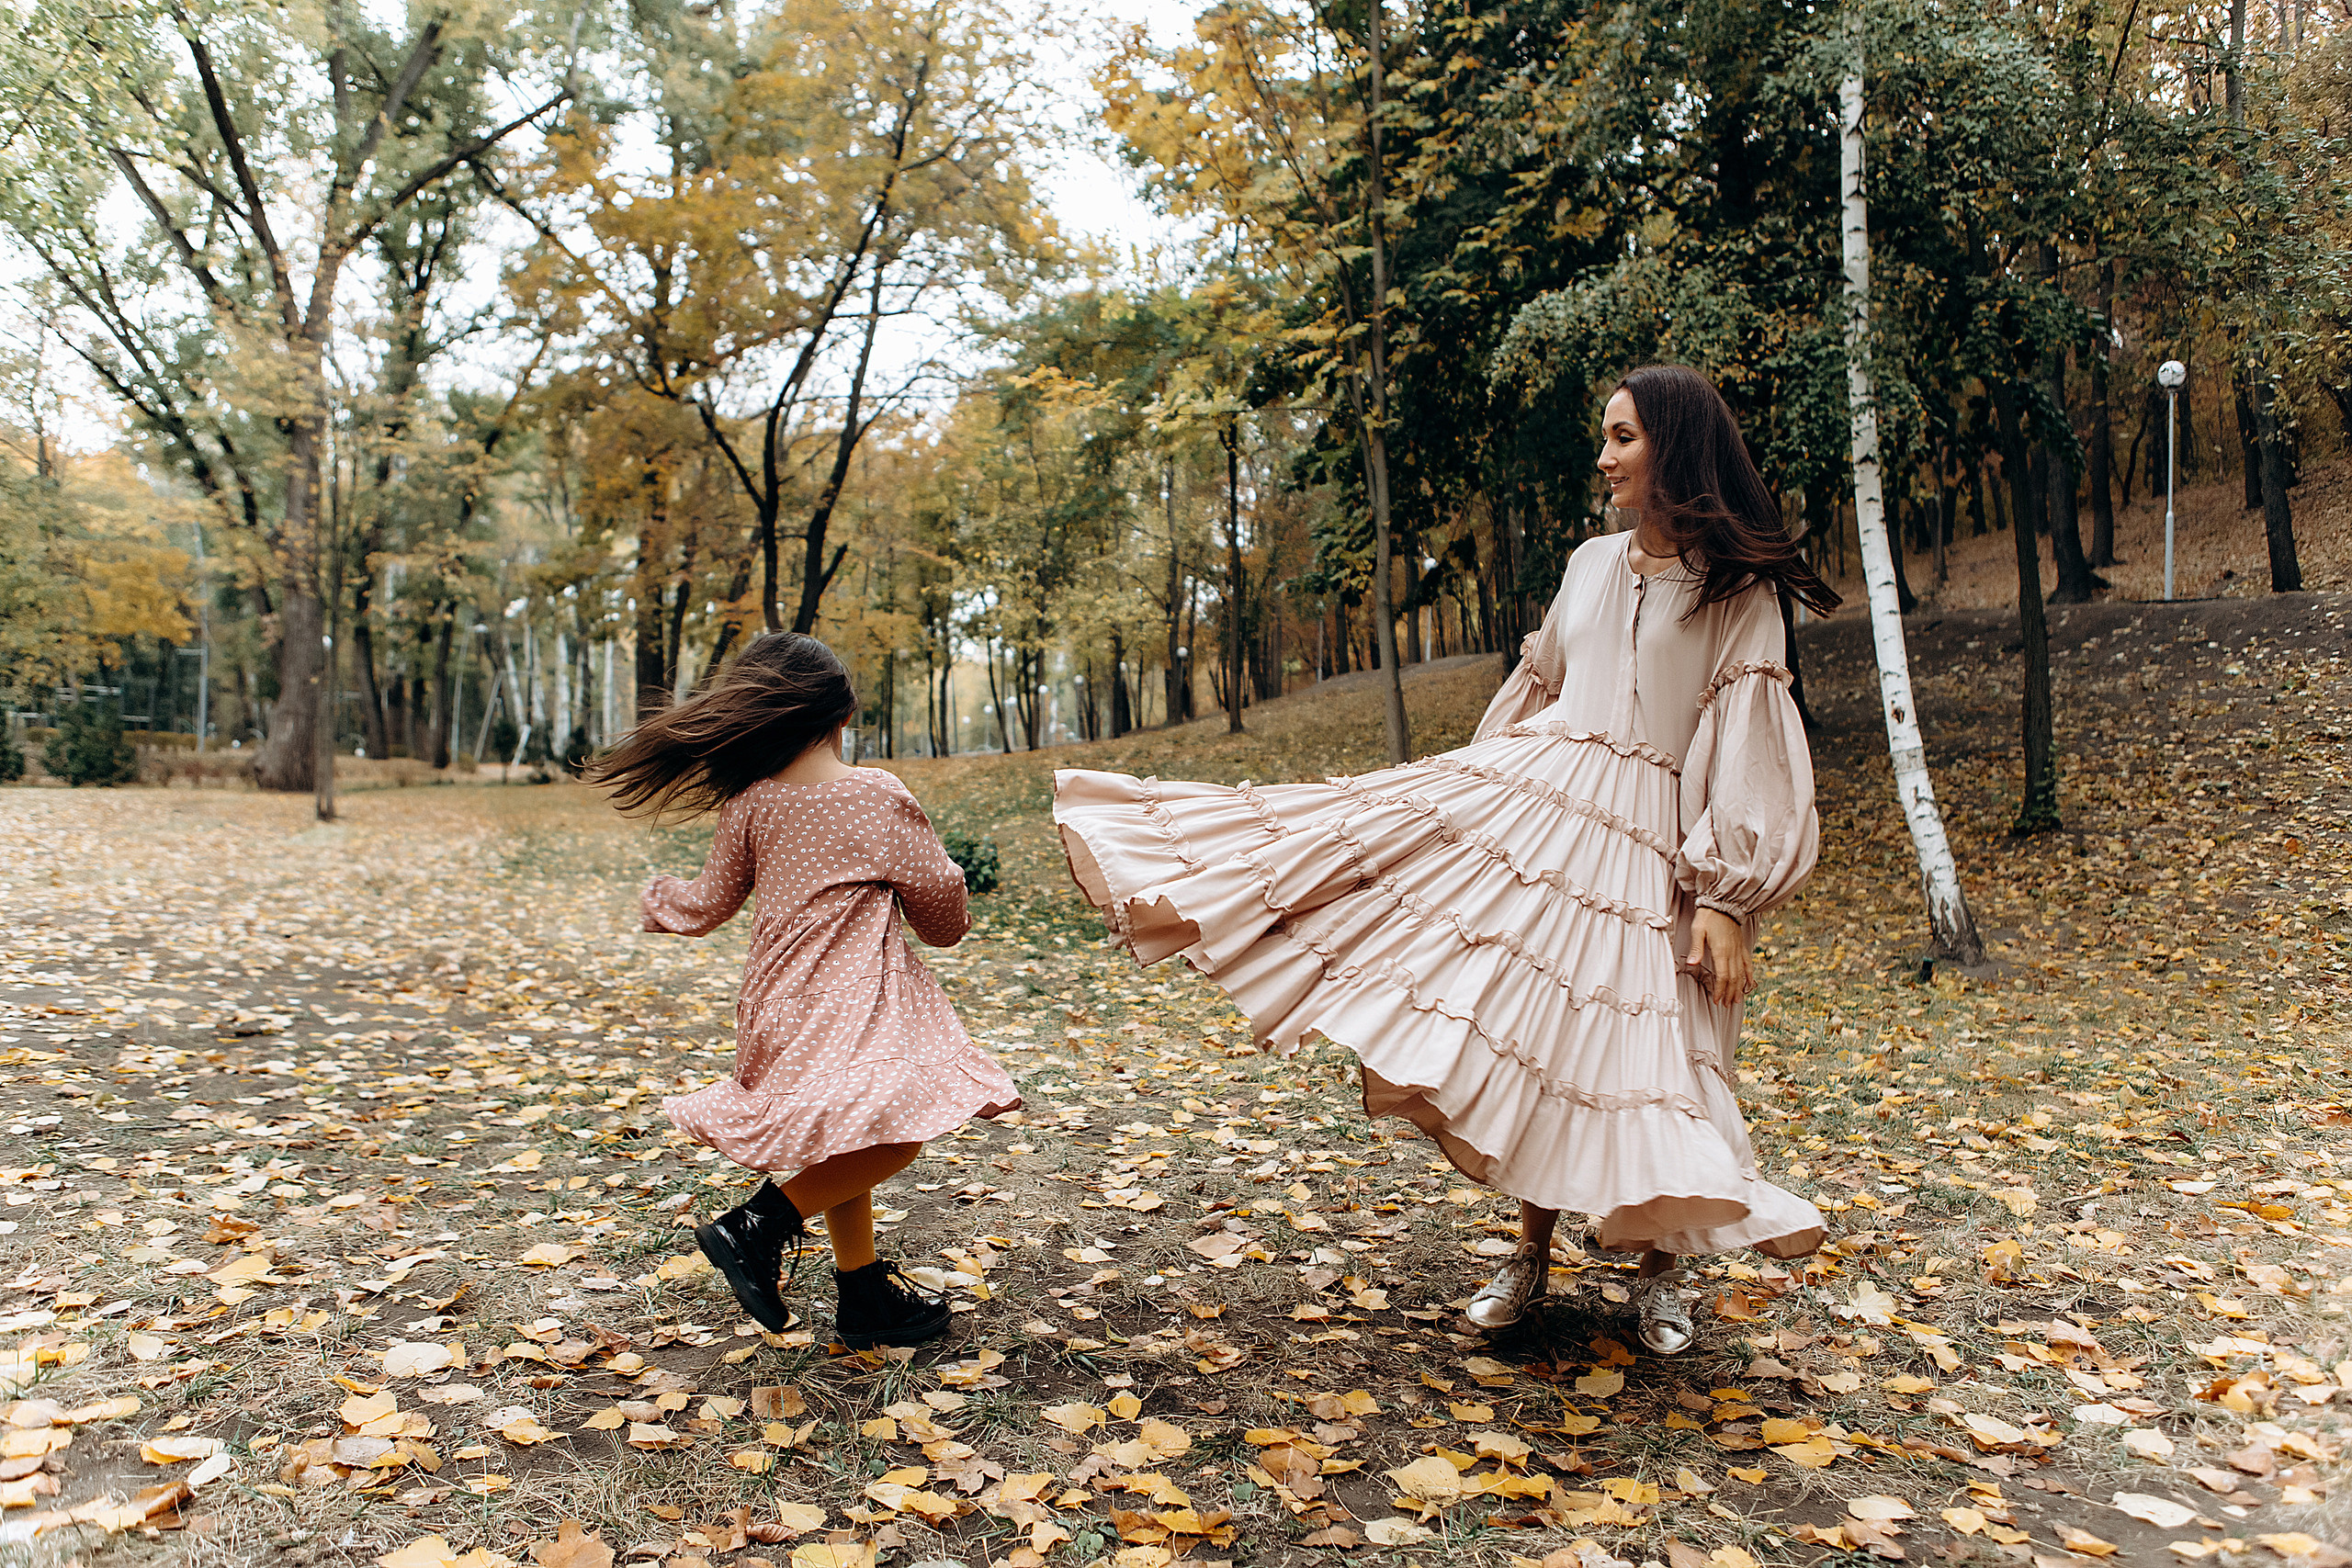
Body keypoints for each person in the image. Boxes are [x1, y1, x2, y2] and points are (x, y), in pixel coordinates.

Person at [1053, 365, 1838, 1354]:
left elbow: (1750, 745)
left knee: (1663, 1052)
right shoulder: (1588, 564)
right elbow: (1539, 690)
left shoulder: (1739, 591)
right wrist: (1483, 813)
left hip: (1657, 846)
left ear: (1677, 445)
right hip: (1549, 818)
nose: (1603, 457)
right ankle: (1530, 1255)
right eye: (1604, 436)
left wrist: (1727, 893)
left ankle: (1659, 1275)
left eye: (1623, 437)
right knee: (1538, 1042)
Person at [592, 633, 1019, 1348]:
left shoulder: (753, 801)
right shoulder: (877, 795)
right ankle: (754, 1226)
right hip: (855, 999)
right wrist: (945, 913)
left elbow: (708, 903)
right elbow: (941, 904)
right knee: (897, 1131)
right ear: (840, 716)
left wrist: (659, 901)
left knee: (845, 1135)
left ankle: (864, 1297)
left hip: (775, 1004)